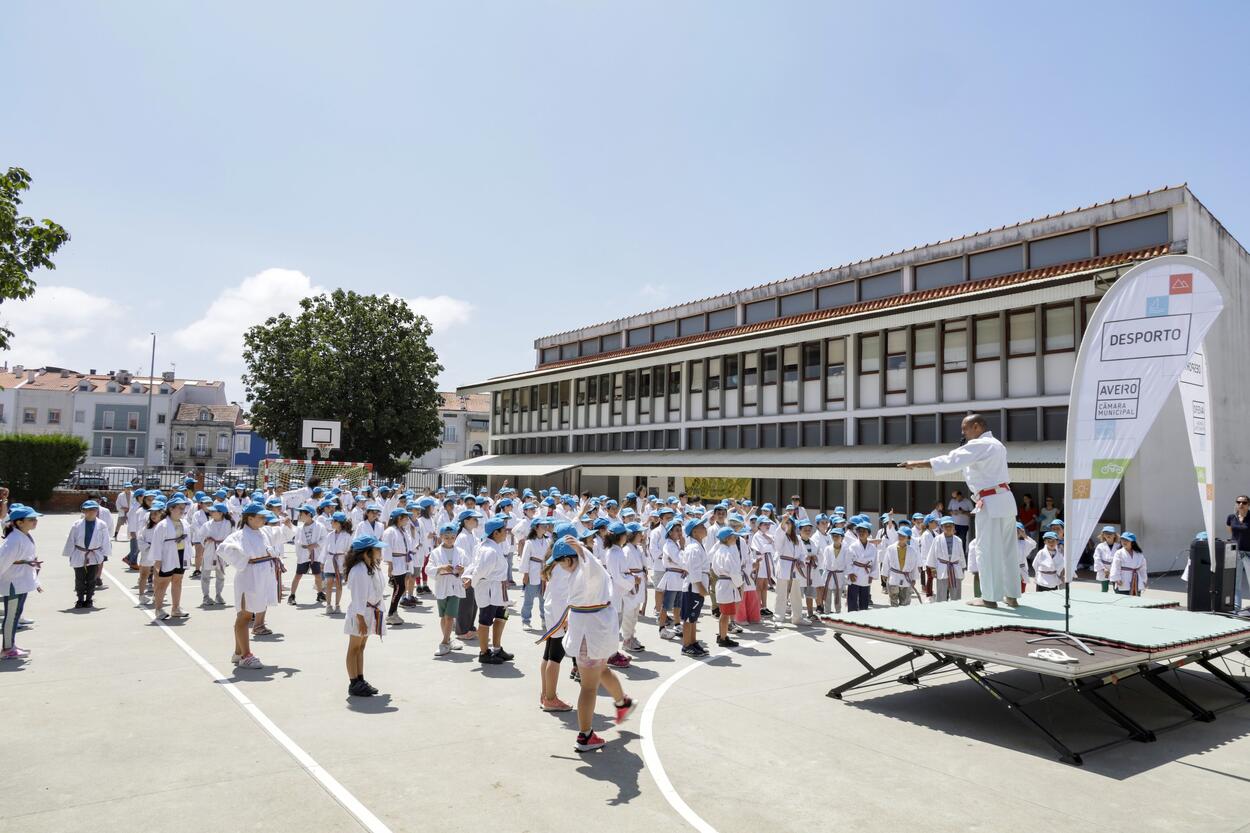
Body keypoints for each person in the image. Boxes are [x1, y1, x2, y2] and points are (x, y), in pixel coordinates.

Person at [901, 414, 1018, 609]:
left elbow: (951, 460)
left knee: (986, 549)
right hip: (1005, 499)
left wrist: (916, 463)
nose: (963, 432)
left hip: (989, 500)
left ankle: (989, 597)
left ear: (977, 426)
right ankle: (1011, 595)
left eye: (966, 428)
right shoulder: (997, 445)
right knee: (1008, 549)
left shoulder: (980, 445)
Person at [542, 536, 638, 752]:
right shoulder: (580, 571)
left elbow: (589, 562)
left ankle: (603, 720)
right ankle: (605, 718)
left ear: (570, 559)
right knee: (596, 676)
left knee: (592, 680)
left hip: (591, 633)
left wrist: (580, 548)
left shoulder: (588, 569)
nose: (558, 567)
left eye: (560, 562)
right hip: (593, 632)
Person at [216, 503, 280, 669]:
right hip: (248, 577)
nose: (264, 519)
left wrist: (287, 527)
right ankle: (246, 656)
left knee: (251, 612)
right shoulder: (239, 535)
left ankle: (238, 652)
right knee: (244, 615)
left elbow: (280, 534)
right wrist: (243, 558)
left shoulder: (263, 532)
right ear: (249, 518)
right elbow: (223, 548)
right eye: (260, 517)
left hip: (262, 576)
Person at [342, 534, 385, 697]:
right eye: (377, 549)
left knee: (361, 647)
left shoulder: (372, 566)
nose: (380, 551)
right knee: (354, 648)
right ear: (367, 552)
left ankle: (360, 679)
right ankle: (353, 682)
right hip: (361, 614)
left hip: (370, 612)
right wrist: (360, 620)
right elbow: (358, 597)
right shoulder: (359, 570)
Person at [537, 526, 575, 713]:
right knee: (556, 655)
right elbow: (563, 593)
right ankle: (551, 698)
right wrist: (566, 616)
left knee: (549, 653)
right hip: (560, 610)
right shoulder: (562, 564)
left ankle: (546, 694)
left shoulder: (553, 557)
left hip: (552, 608)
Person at [1, 506, 42, 660]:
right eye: (31, 519)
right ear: (19, 522)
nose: (35, 521)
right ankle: (7, 649)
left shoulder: (24, 535)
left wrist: (36, 581)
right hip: (13, 583)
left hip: (21, 582)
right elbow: (2, 562)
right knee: (11, 616)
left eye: (35, 519)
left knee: (16, 615)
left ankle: (10, 645)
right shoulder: (14, 540)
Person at [471, 516, 514, 665]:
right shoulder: (488, 550)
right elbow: (479, 571)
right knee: (485, 620)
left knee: (502, 617)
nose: (506, 533)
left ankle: (497, 648)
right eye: (504, 531)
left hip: (499, 589)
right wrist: (471, 582)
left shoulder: (494, 546)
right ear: (496, 533)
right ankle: (484, 652)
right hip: (489, 590)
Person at [150, 495, 193, 621]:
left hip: (181, 555)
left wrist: (189, 556)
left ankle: (176, 608)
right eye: (179, 508)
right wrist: (157, 562)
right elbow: (156, 544)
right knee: (163, 583)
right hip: (167, 556)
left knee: (178, 581)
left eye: (183, 508)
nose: (182, 510)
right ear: (170, 509)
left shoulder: (184, 523)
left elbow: (188, 541)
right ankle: (158, 609)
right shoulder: (162, 525)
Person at [62, 500, 111, 610]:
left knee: (91, 579)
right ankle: (80, 599)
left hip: (94, 554)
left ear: (97, 511)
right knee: (79, 578)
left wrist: (104, 553)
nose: (90, 512)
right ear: (83, 511)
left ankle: (89, 599)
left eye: (93, 509)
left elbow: (106, 540)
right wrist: (70, 553)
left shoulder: (102, 524)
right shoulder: (77, 524)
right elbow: (71, 540)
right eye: (87, 510)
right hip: (79, 553)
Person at [429, 523, 466, 656]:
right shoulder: (435, 553)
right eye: (446, 537)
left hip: (455, 586)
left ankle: (444, 643)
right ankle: (449, 639)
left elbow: (467, 566)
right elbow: (429, 569)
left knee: (450, 616)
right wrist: (441, 568)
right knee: (443, 616)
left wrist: (463, 569)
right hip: (442, 586)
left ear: (455, 537)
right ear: (441, 537)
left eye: (452, 537)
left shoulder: (461, 552)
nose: (449, 539)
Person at [710, 526, 743, 647]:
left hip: (723, 582)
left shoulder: (719, 551)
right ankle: (723, 637)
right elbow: (734, 572)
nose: (736, 538)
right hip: (727, 584)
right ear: (728, 538)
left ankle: (722, 635)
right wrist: (739, 584)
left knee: (724, 612)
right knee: (725, 613)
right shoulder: (727, 553)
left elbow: (714, 568)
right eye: (734, 536)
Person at [927, 517, 966, 602]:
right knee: (941, 591)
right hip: (942, 566)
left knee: (956, 592)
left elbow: (961, 555)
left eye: (950, 526)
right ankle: (941, 609)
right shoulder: (937, 539)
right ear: (941, 527)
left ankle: (957, 609)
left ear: (953, 527)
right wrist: (933, 568)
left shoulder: (958, 540)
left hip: (955, 567)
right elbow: (932, 554)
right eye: (946, 526)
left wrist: (962, 568)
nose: (948, 528)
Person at [320, 511, 352, 615]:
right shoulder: (330, 535)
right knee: (329, 584)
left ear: (338, 523)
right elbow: (325, 549)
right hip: (330, 561)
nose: (331, 523)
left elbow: (349, 550)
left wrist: (347, 564)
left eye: (332, 521)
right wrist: (322, 561)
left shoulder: (347, 536)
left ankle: (337, 605)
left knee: (338, 584)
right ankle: (328, 605)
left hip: (340, 561)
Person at [844, 521, 878, 611]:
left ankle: (863, 618)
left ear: (868, 534)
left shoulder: (873, 548)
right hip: (855, 574)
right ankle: (851, 617)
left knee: (864, 599)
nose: (861, 533)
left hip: (866, 575)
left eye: (864, 531)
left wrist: (872, 575)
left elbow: (874, 563)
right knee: (852, 599)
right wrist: (850, 573)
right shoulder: (853, 546)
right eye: (860, 531)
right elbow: (848, 561)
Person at [1226, 496, 1250, 610]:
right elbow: (1231, 531)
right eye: (1238, 502)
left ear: (1248, 504)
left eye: (1244, 502)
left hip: (1248, 553)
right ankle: (1236, 607)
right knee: (1236, 582)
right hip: (1235, 553)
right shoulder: (1231, 517)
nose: (1241, 504)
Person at [1092, 526, 1119, 592]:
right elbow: (1097, 558)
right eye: (1106, 533)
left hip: (1115, 568)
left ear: (1114, 535)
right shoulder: (1100, 546)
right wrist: (1103, 569)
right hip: (1103, 569)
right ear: (1103, 535)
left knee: (1117, 589)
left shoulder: (1119, 546)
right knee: (1104, 589)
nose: (1108, 535)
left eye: (1110, 533)